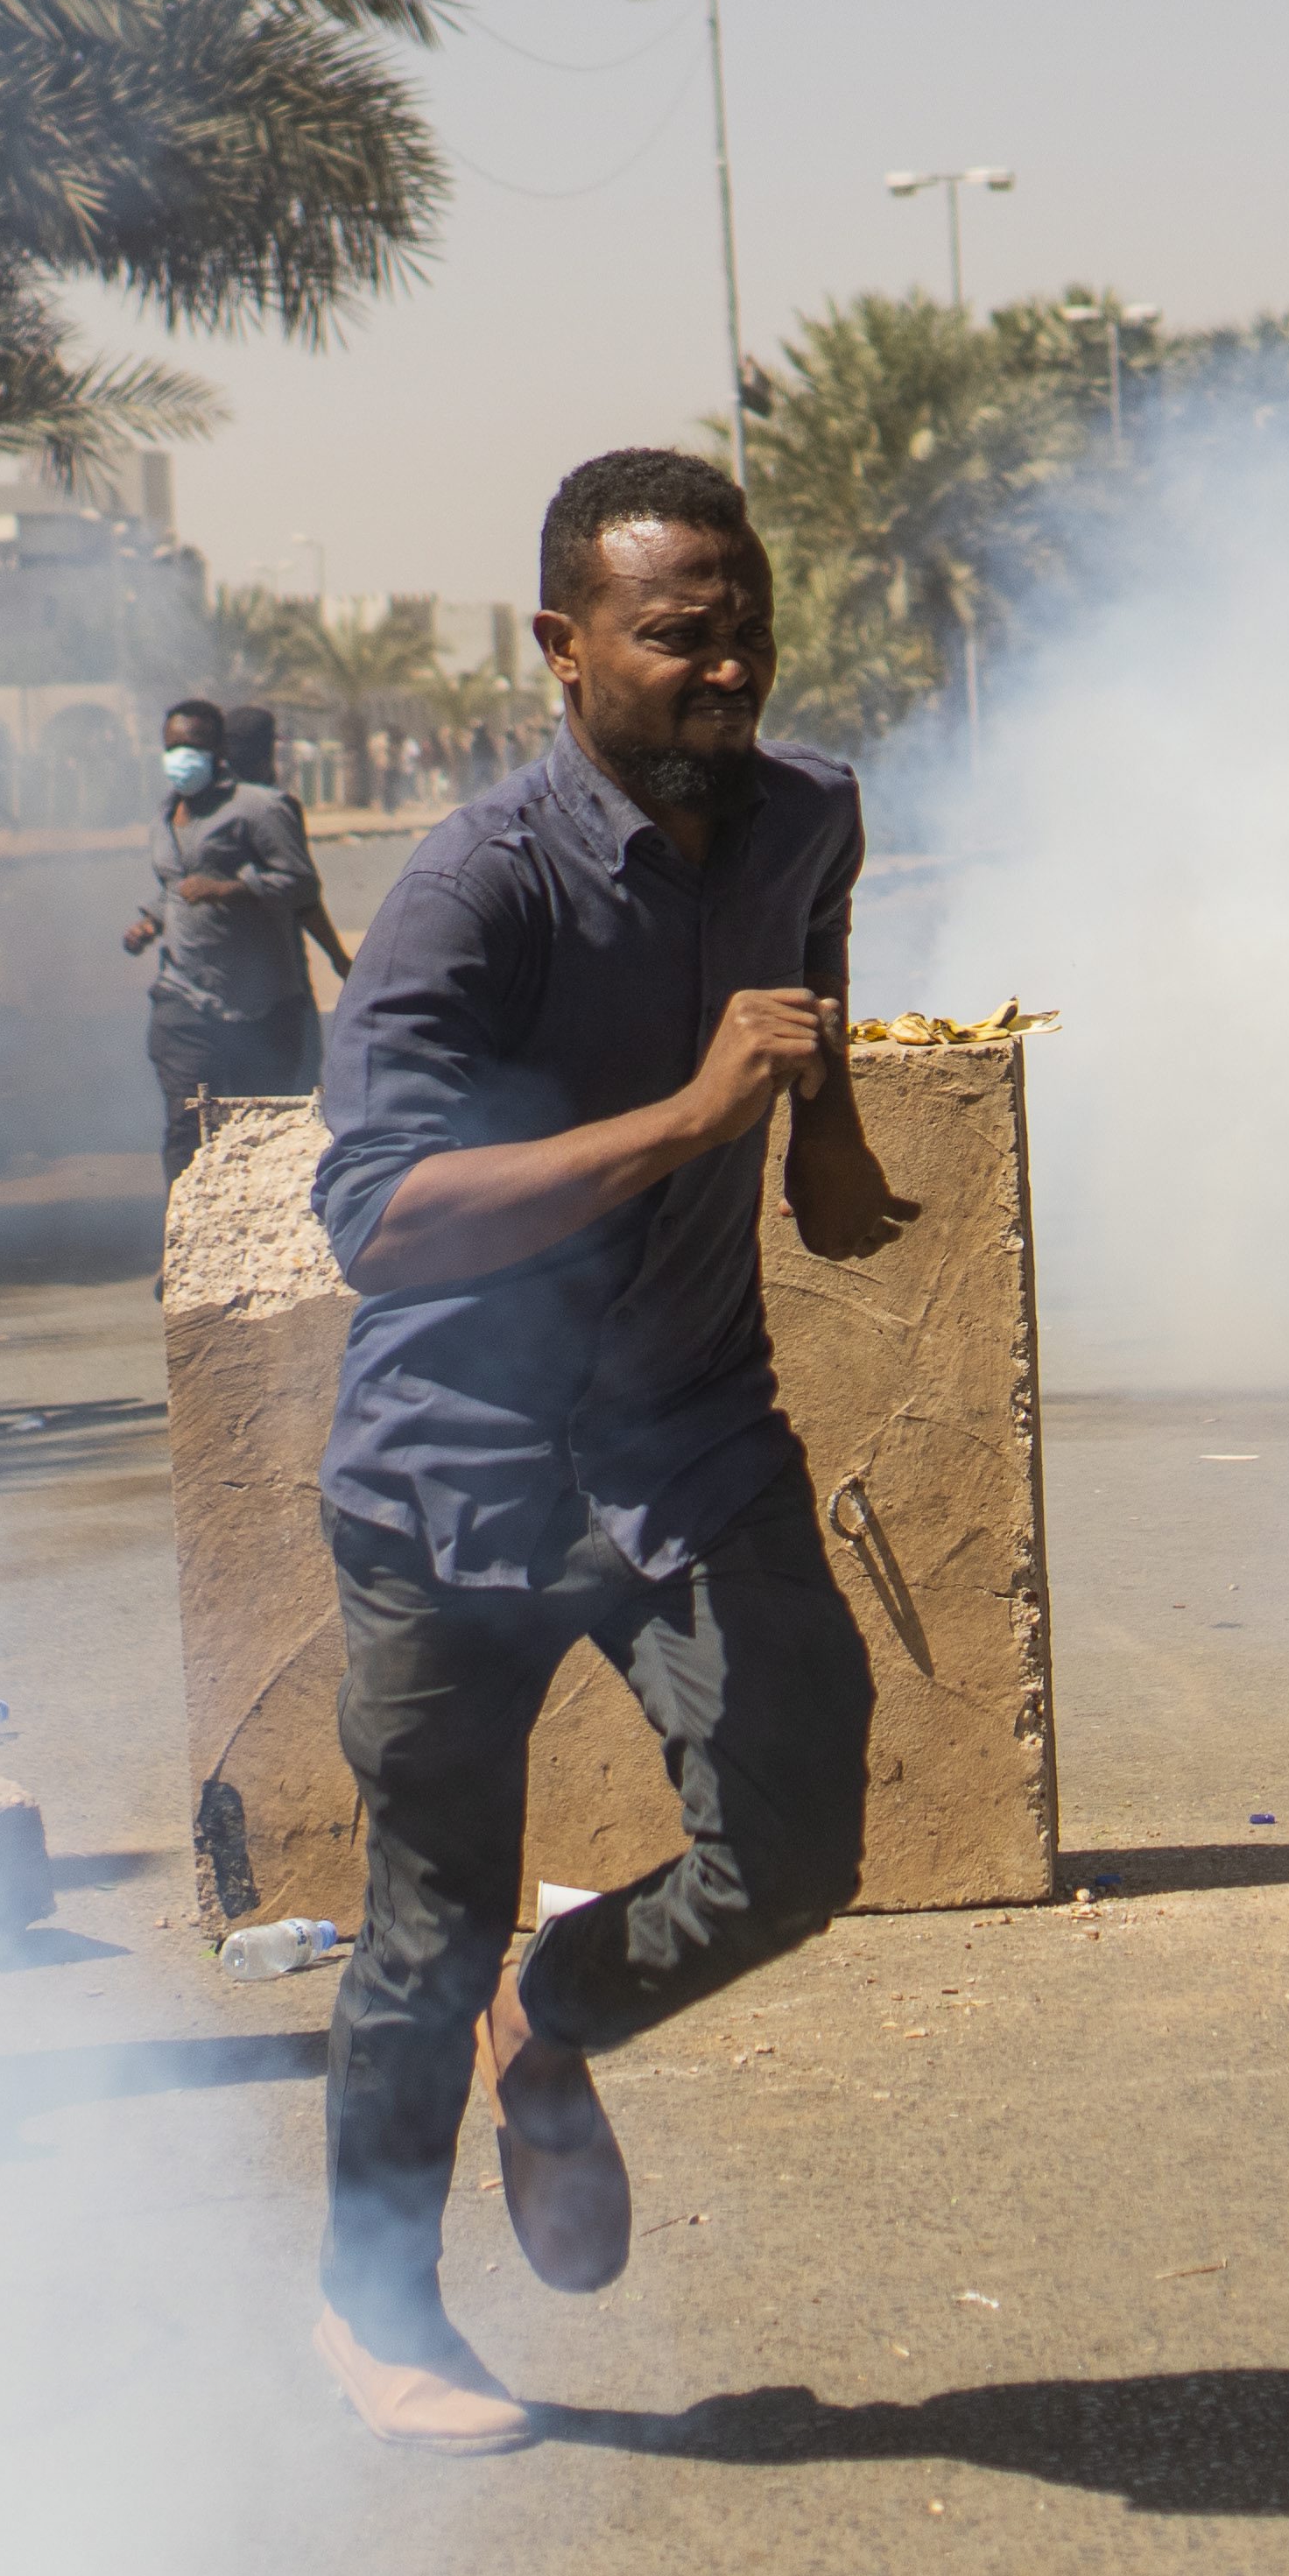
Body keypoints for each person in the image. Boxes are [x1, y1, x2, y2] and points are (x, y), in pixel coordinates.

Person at [298, 447, 914, 2453]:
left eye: (745, 625)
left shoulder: (809, 808)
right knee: (422, 1917)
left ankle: (559, 2022)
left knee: (798, 1846)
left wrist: (821, 1131)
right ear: (563, 647)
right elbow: (374, 1220)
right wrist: (688, 1118)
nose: (727, 665)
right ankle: (378, 2311)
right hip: (449, 1483)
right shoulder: (476, 884)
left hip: (687, 1438)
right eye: (677, 634)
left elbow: (803, 956)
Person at [130, 699, 314, 1178]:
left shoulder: (260, 809)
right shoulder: (164, 817)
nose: (181, 757)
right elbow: (175, 887)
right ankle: (183, 1243)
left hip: (259, 1004)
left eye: (192, 747)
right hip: (183, 1000)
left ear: (217, 752)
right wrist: (149, 922)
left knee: (262, 1131)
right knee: (185, 1127)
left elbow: (301, 884)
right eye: (173, 747)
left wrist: (229, 890)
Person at [229, 700, 362, 1066]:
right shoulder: (273, 806)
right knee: (294, 1083)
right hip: (278, 980)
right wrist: (339, 958)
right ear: (267, 752)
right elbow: (303, 897)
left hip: (215, 984)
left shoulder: (199, 805)